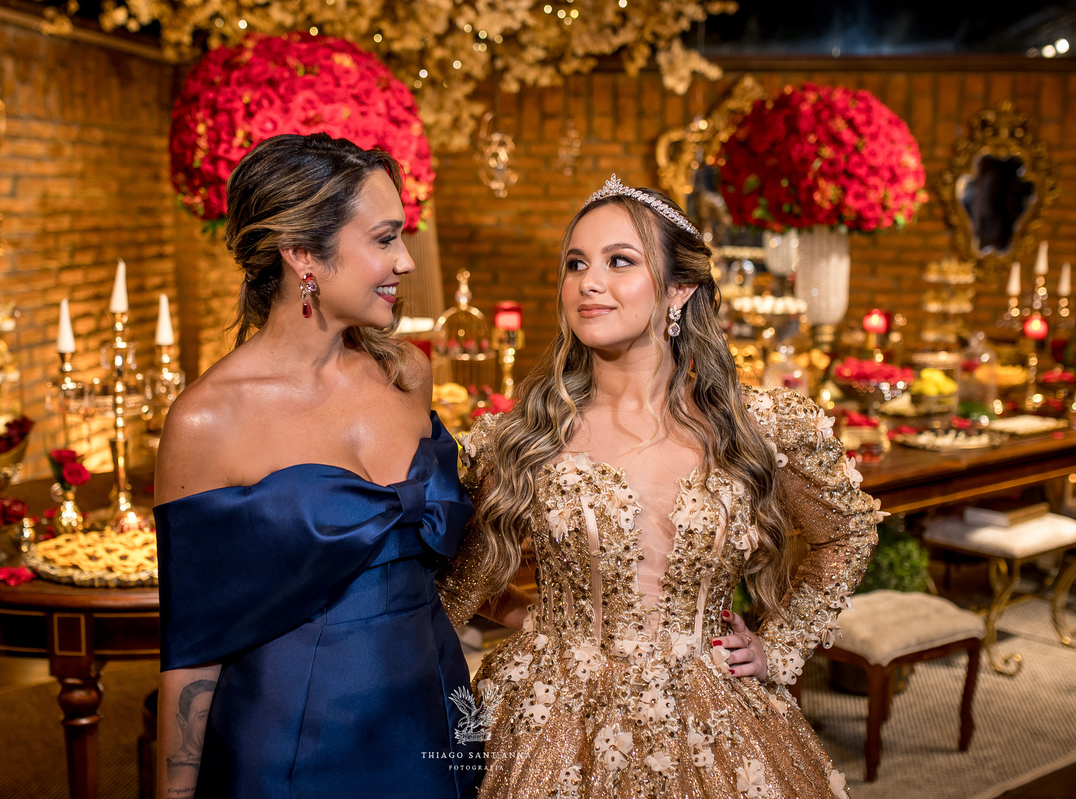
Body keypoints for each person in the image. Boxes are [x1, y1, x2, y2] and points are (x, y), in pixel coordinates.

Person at [438, 175, 882, 798]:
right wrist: (544, 622)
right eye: (575, 264)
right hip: (552, 721)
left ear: (679, 288)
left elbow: (848, 531)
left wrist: (782, 646)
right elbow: (458, 581)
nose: (588, 282)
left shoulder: (758, 426)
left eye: (619, 261)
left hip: (714, 714)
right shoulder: (524, 437)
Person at [155, 133, 480, 799]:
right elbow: (192, 651)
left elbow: (448, 560)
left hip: (435, 710)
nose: (406, 261)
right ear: (302, 253)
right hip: (295, 741)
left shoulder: (408, 373)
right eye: (384, 238)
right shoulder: (207, 420)